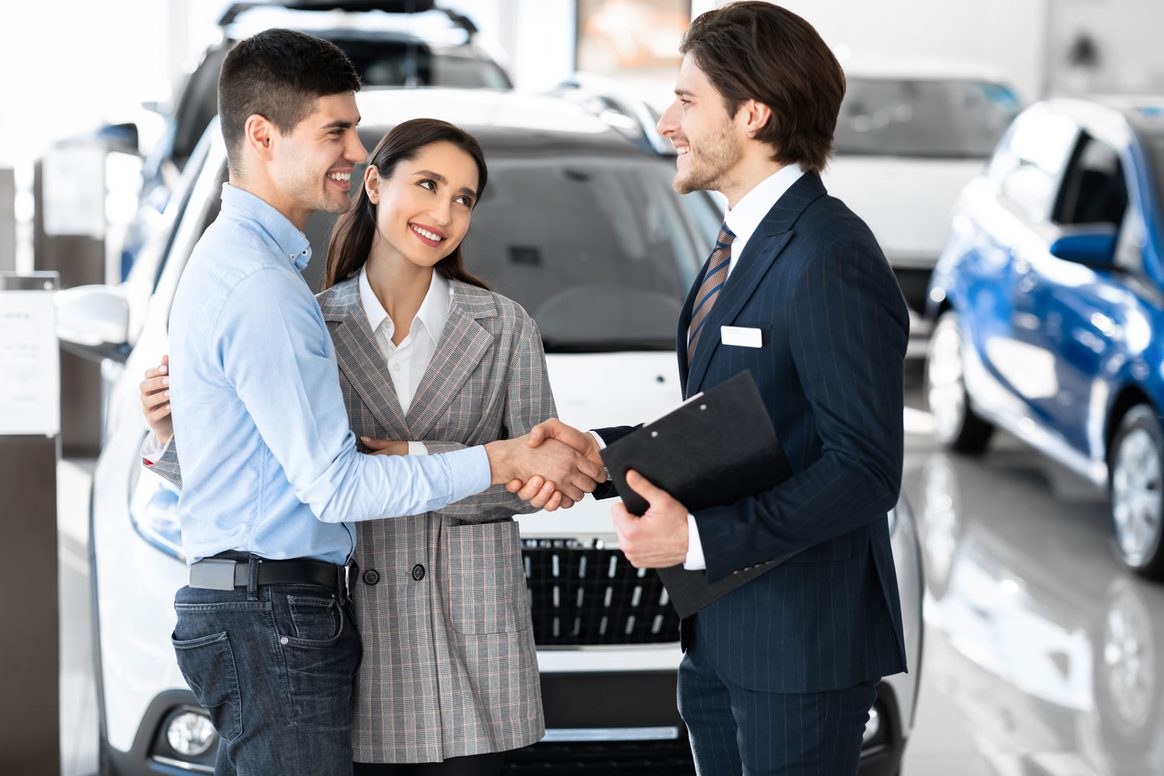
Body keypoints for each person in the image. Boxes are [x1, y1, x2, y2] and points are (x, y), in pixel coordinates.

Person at [144, 29, 600, 776]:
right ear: (264, 136)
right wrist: (496, 457)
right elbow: (331, 484)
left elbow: (265, 466)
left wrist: (187, 423)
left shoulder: (499, 323)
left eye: (465, 199)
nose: (355, 150)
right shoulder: (285, 298)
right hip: (297, 619)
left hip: (416, 636)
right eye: (338, 131)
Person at [511, 3, 910, 773]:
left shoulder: (829, 254)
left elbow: (864, 466)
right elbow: (737, 423)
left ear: (754, 113)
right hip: (725, 636)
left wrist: (698, 540)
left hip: (799, 651)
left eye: (687, 100)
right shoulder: (740, 241)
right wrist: (605, 455)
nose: (667, 122)